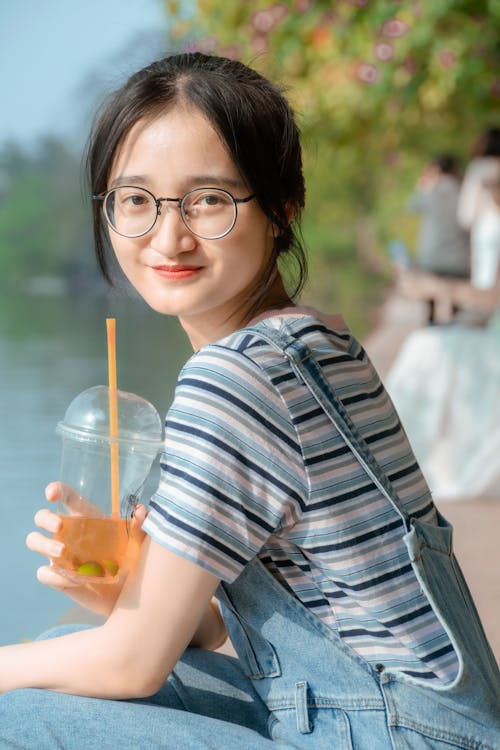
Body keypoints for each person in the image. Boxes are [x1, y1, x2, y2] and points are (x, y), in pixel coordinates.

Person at [1, 53, 499, 749]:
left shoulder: (234, 380)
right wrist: (128, 595)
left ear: (280, 208)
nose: (168, 236)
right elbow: (275, 632)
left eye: (208, 200)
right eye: (137, 200)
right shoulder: (317, 341)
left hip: (393, 734)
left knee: (17, 715)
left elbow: (133, 663)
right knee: (61, 652)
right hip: (427, 721)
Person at [408, 154, 469, 323]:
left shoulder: (430, 190)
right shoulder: (463, 190)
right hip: (460, 258)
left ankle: (431, 320)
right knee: (458, 296)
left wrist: (424, 182)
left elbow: (412, 206)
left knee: (430, 295)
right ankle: (457, 321)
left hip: (431, 257)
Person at [457, 127, 500, 290]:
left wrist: (466, 222)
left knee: (484, 276)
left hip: (486, 224)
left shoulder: (478, 167)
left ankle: (484, 311)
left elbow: (468, 202)